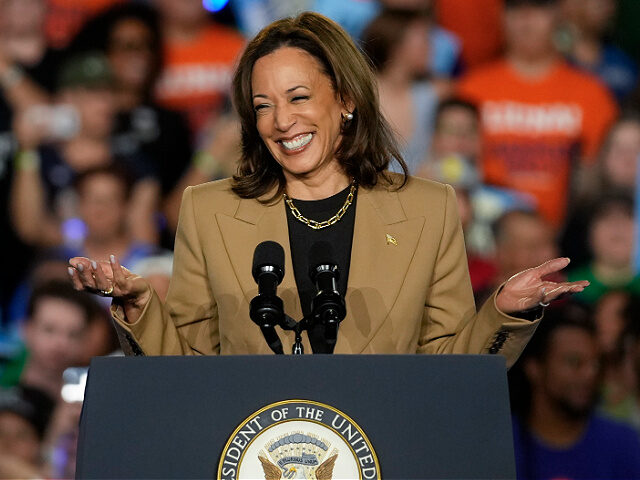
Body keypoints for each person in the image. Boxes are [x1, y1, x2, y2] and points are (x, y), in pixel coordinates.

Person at [69, 12, 588, 364]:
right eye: (263, 105)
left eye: (297, 97)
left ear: (345, 98)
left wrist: (505, 313)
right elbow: (191, 368)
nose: (281, 120)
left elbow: (447, 369)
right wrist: (140, 308)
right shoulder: (209, 211)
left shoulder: (427, 209)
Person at [457, 0, 618, 229]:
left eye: (539, 7)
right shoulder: (471, 89)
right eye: (515, 8)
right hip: (483, 237)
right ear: (501, 16)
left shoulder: (592, 94)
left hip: (565, 240)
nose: (526, 18)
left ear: (560, 15)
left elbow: (603, 182)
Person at [511, 304, 640, 480]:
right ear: (535, 368)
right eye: (574, 362)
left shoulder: (625, 444)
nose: (589, 374)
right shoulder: (501, 443)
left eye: (595, 364)